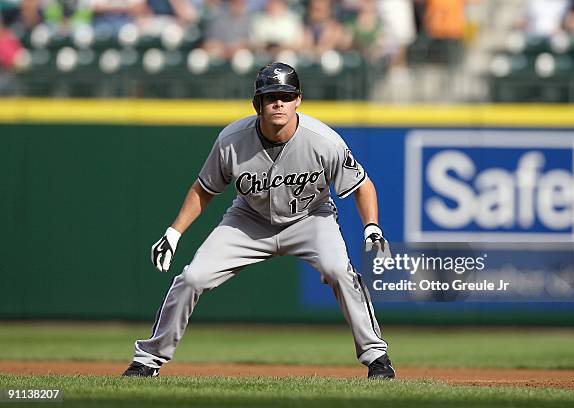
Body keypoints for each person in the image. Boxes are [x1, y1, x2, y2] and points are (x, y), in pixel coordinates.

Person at [122, 62, 395, 380]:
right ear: (258, 103)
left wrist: (371, 226)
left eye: (285, 95)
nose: (278, 102)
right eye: (270, 96)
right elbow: (205, 188)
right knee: (193, 278)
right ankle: (148, 360)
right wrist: (174, 231)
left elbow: (362, 185)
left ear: (298, 100)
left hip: (311, 218)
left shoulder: (323, 140)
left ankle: (377, 358)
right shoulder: (232, 140)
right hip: (248, 220)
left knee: (339, 271)